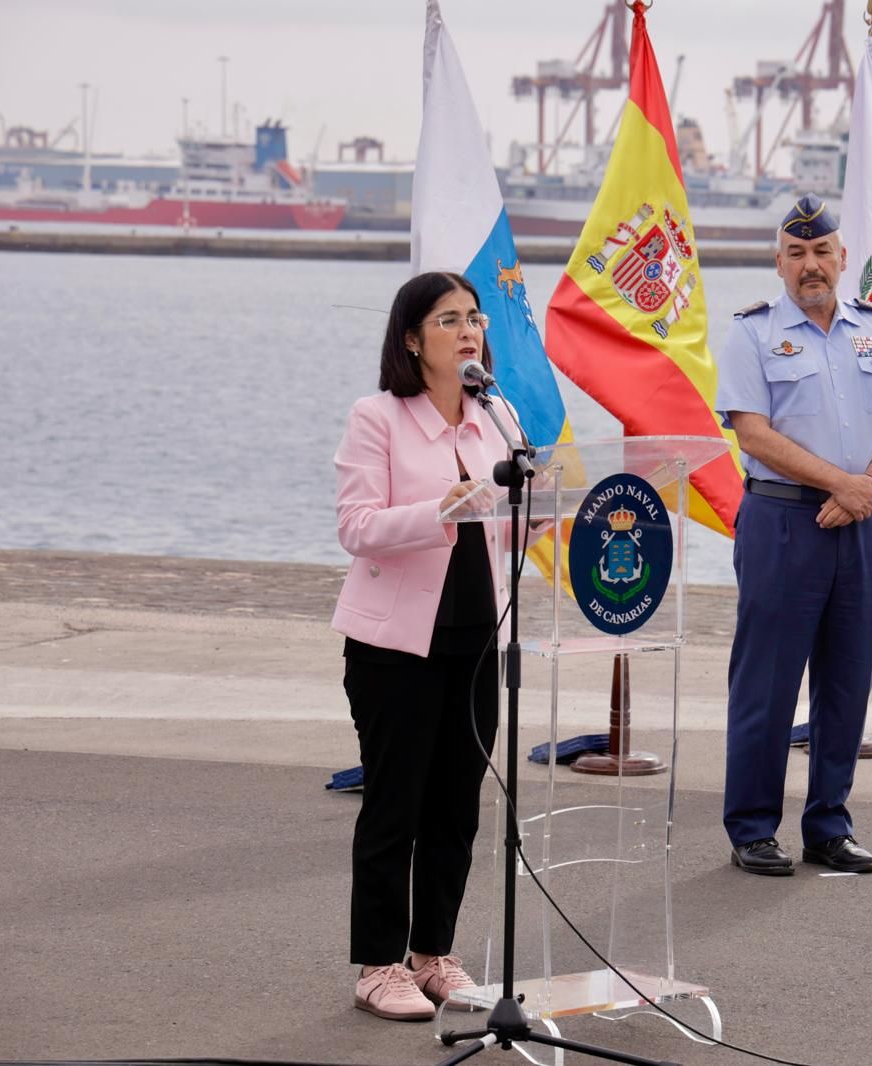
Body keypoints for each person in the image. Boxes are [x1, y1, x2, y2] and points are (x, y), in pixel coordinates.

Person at [714, 195, 872, 876]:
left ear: (841, 259)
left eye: (822, 252)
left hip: (862, 521)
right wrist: (841, 483)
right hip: (783, 522)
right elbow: (753, 432)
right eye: (797, 253)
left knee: (846, 682)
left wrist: (866, 491)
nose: (811, 265)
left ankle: (829, 825)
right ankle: (752, 827)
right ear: (779, 263)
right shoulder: (752, 333)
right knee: (767, 684)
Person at [332, 271, 525, 1018]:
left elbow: (510, 515)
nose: (468, 330)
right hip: (395, 647)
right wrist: (434, 510)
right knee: (396, 805)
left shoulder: (495, 416)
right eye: (448, 320)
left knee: (457, 805)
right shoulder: (377, 417)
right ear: (412, 339)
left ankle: (432, 954)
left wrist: (542, 513)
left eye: (474, 318)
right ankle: (379, 964)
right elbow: (356, 525)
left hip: (479, 640)